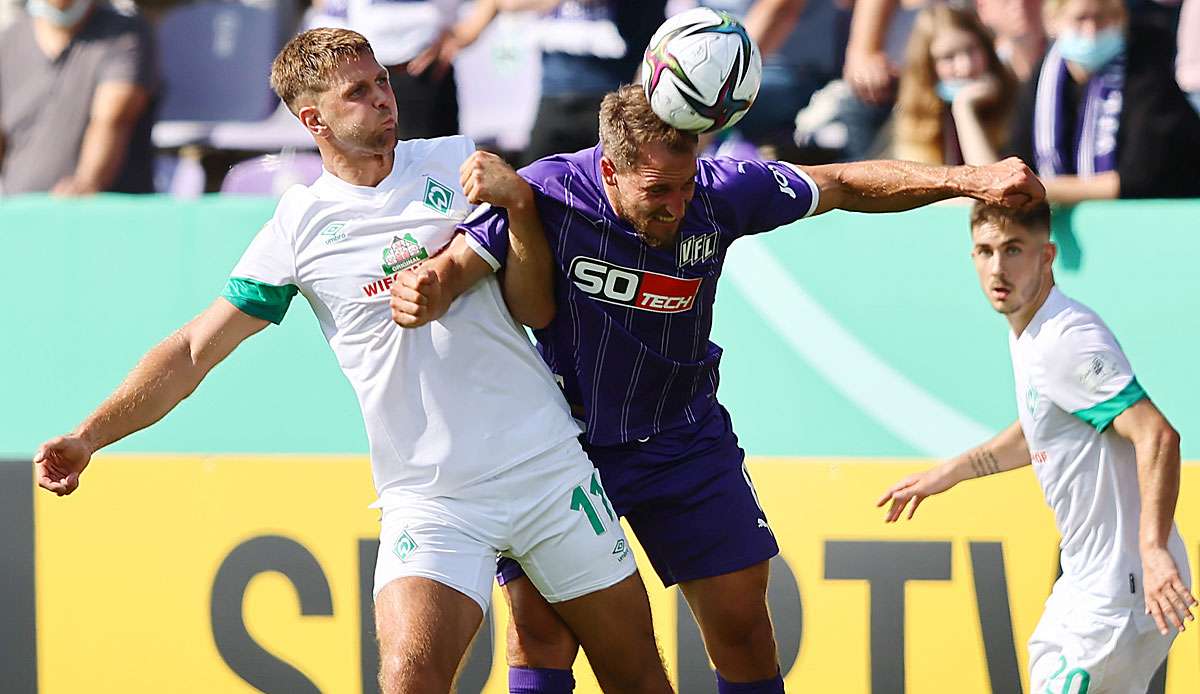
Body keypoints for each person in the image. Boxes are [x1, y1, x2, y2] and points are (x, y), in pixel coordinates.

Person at [32, 28, 675, 694]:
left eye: (384, 83)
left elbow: (535, 306)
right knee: (407, 677)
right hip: (431, 499)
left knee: (637, 677)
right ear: (314, 119)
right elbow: (193, 349)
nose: (383, 100)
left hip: (545, 470)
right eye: (359, 92)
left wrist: (516, 211)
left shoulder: (456, 166)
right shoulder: (298, 227)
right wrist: (90, 435)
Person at [395, 83, 1044, 693]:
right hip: (565, 447)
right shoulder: (548, 190)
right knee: (540, 630)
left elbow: (843, 182)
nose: (677, 206)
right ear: (610, 171)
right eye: (658, 191)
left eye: (684, 186)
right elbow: (458, 262)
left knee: (742, 626)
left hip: (683, 436)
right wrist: (426, 285)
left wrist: (968, 179)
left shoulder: (720, 190)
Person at [877, 202, 1195, 693]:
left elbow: (1157, 434)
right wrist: (954, 471)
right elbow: (1044, 424)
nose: (998, 268)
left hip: (1121, 589)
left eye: (1013, 250)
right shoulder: (1033, 332)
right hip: (1086, 583)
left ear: (1046, 256)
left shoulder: (1066, 341)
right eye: (985, 251)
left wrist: (1152, 549)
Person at [1007, 0, 1200, 202]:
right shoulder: (1043, 77)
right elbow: (1017, 158)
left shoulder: (1146, 70)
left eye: (1101, 18)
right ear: (1052, 22)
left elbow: (1138, 178)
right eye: (1080, 18)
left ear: (1121, 19)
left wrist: (1039, 189)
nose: (1091, 30)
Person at [0, 0, 157, 195]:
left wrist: (86, 183)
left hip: (100, 214)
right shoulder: (8, 42)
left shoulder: (126, 36)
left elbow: (112, 122)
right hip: (20, 210)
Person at [892, 4, 1018, 166]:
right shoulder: (916, 118)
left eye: (971, 50)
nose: (965, 67)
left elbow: (991, 181)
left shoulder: (1013, 102)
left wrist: (964, 108)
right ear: (928, 67)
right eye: (948, 57)